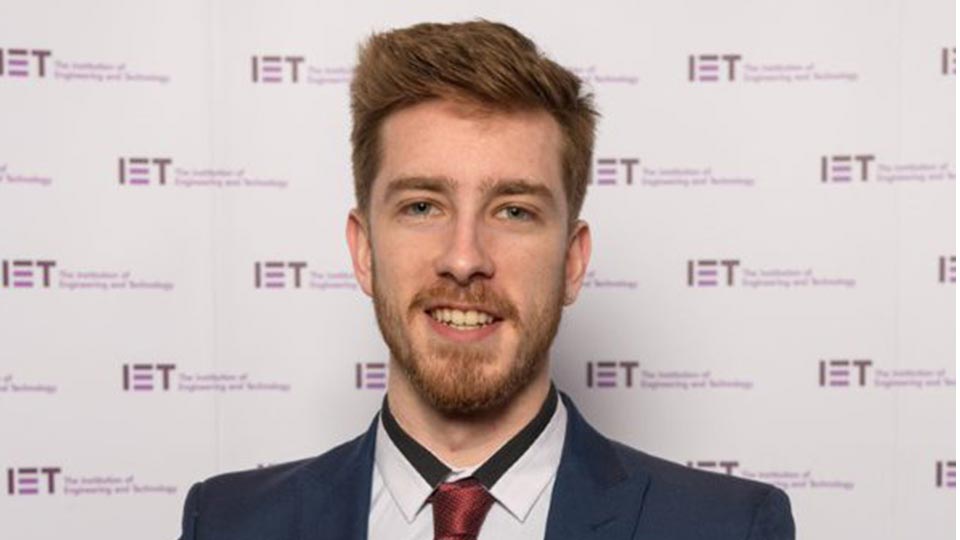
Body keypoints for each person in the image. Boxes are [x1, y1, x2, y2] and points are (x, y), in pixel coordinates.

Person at [177, 20, 795, 540]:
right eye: (422, 206)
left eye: (514, 211)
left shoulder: (725, 527)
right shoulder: (231, 522)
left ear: (573, 262)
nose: (465, 258)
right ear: (364, 251)